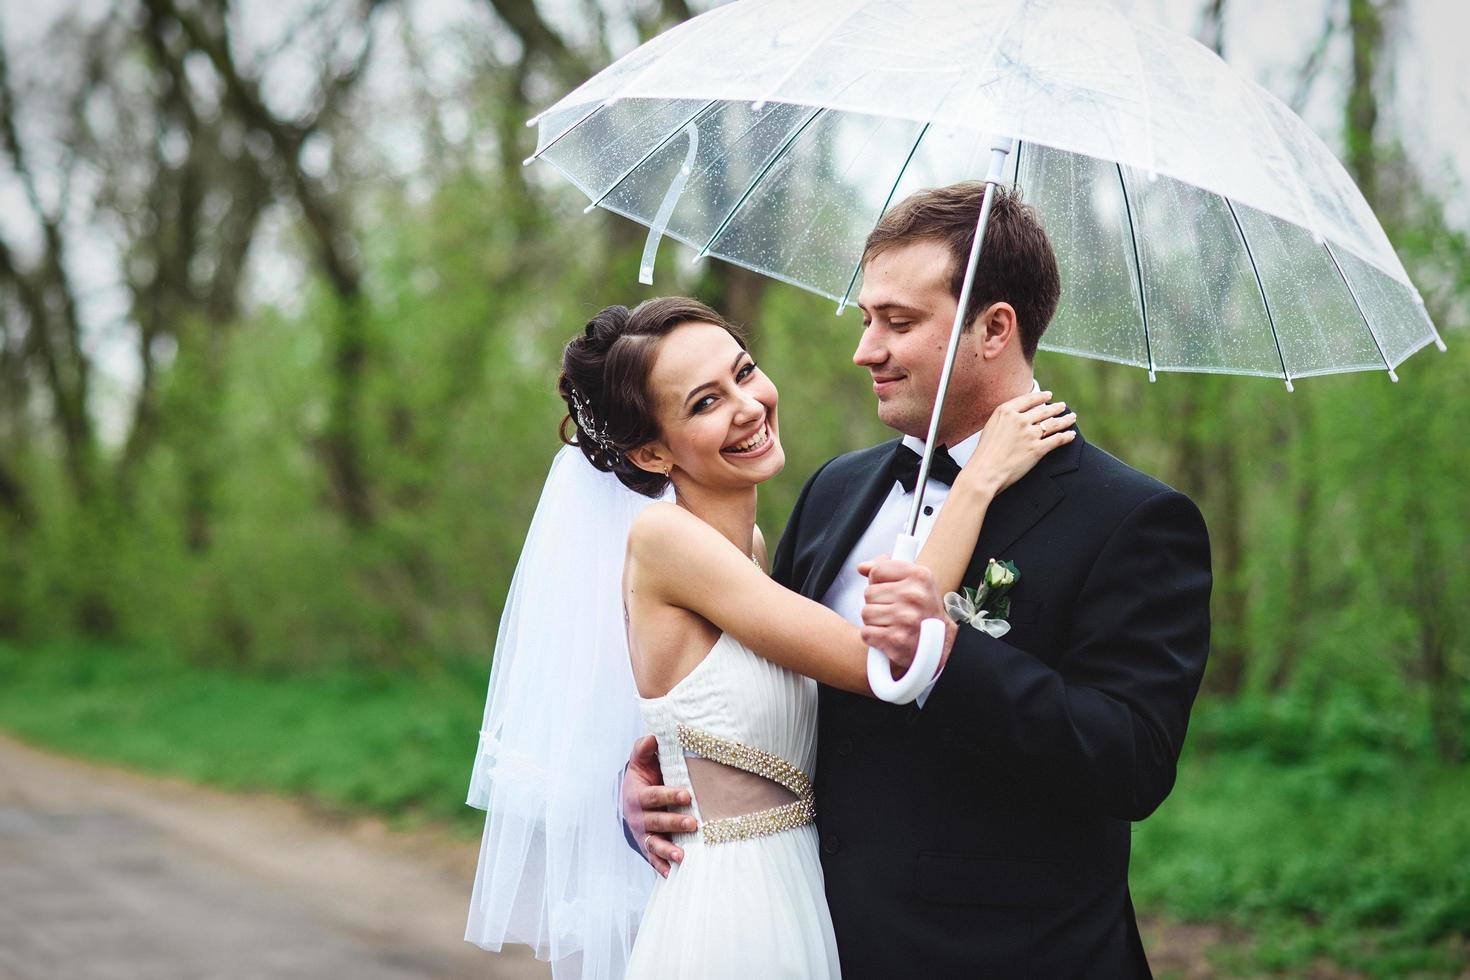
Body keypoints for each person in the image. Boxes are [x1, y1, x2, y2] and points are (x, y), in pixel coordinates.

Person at [624, 183, 1214, 978]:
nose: (866, 349)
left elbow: (1131, 762)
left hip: (1008, 958)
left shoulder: (1132, 519)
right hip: (806, 939)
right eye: (868, 318)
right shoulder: (836, 488)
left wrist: (947, 659)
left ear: (993, 328)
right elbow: (767, 682)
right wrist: (667, 778)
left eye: (898, 323)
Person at [465, 294, 1075, 980]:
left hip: (801, 892)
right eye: (704, 403)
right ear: (650, 450)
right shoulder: (665, 541)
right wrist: (980, 480)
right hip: (731, 914)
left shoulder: (752, 550)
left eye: (744, 371)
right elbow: (882, 657)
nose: (748, 405)